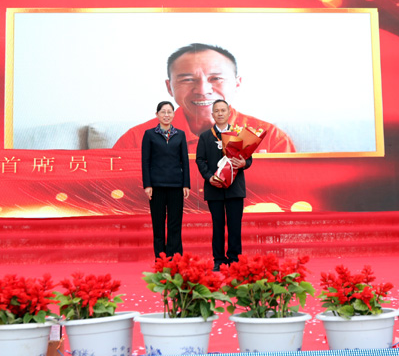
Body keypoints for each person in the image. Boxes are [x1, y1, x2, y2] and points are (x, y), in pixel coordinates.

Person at [114, 43, 295, 153]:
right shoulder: (137, 140)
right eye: (187, 79)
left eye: (215, 79)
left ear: (237, 83)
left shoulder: (269, 138)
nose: (202, 90)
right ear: (169, 87)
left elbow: (289, 196)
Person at [196, 99, 253, 271]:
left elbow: (248, 158)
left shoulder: (239, 135)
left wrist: (244, 163)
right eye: (217, 111)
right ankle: (219, 260)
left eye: (223, 110)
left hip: (235, 189)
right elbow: (200, 160)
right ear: (212, 114)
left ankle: (235, 260)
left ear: (229, 113)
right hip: (214, 187)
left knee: (235, 226)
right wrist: (209, 177)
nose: (220, 113)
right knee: (218, 226)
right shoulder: (205, 136)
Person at [141, 101, 190, 258]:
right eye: (163, 112)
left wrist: (186, 184)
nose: (166, 115)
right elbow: (145, 161)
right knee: (158, 224)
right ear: (157, 114)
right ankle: (161, 259)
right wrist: (147, 185)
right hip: (156, 186)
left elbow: (185, 161)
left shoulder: (180, 134)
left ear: (174, 115)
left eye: (169, 112)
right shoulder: (149, 134)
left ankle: (175, 259)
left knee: (175, 224)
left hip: (176, 185)